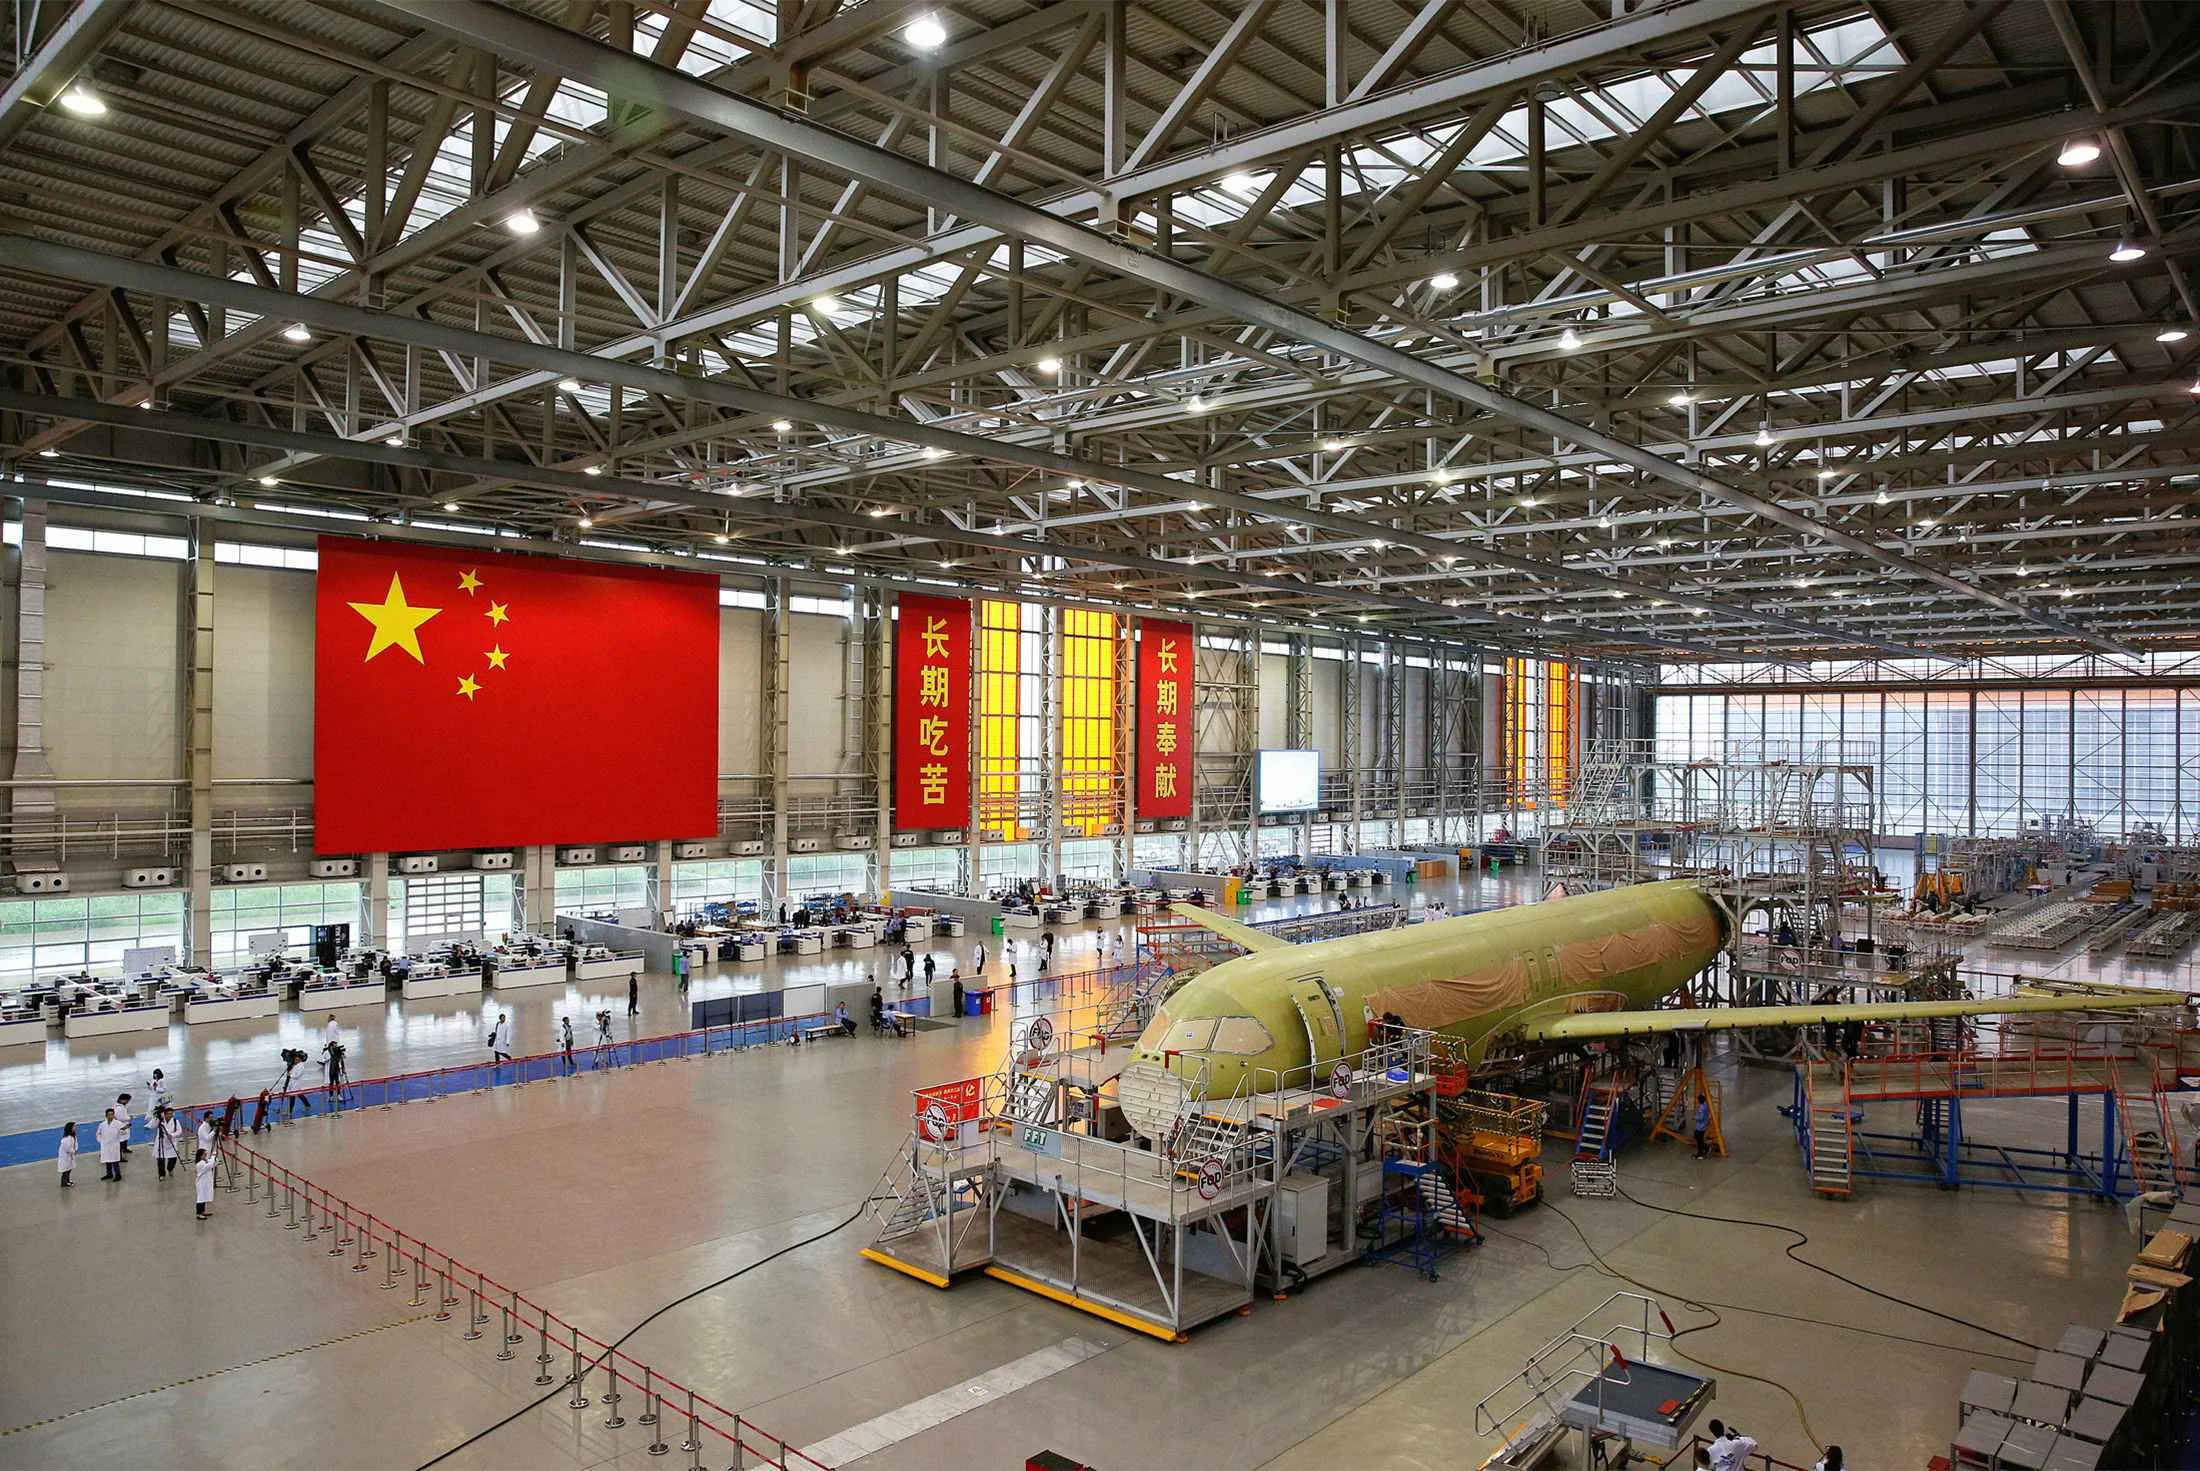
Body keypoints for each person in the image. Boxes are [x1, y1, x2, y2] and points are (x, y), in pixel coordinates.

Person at [95, 1108, 125, 1181]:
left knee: (115, 1161)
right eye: (109, 1115)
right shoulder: (102, 1124)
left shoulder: (118, 1123)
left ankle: (118, 1175)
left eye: (112, 1114)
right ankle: (109, 1174)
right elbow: (98, 1133)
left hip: (114, 1144)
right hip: (105, 1145)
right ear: (106, 1115)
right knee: (107, 1160)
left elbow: (124, 1131)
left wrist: (121, 1131)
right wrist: (101, 1141)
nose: (111, 1116)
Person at [152, 1105, 181, 1179]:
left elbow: (179, 1131)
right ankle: (162, 1174)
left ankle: (170, 1168)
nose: (170, 1115)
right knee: (160, 1159)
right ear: (164, 1114)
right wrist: (157, 1118)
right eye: (168, 1114)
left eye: (171, 1114)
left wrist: (172, 1135)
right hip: (161, 1143)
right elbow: (153, 1126)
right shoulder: (160, 1120)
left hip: (171, 1142)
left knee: (173, 1158)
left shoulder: (175, 1121)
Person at [193, 1147, 215, 1220]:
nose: (206, 1156)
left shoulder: (205, 1162)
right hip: (201, 1183)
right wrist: (213, 1156)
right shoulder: (200, 1164)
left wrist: (214, 1158)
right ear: (200, 1156)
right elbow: (210, 1165)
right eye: (204, 1155)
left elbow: (213, 1163)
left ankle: (202, 1211)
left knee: (204, 1197)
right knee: (201, 1198)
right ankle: (198, 1214)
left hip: (205, 1183)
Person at [57, 1121, 77, 1188]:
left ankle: (67, 1181)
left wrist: (75, 1149)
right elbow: (67, 1148)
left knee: (69, 1169)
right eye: (74, 1127)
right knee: (65, 1171)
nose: (75, 1128)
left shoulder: (73, 1136)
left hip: (70, 1156)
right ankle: (64, 1183)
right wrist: (73, 1151)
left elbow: (75, 1144)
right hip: (65, 1157)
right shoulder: (66, 1139)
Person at [1694, 1093, 1711, 1159]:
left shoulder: (1701, 1108)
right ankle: (1706, 1147)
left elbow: (1700, 1117)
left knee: (1698, 1139)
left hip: (1700, 1126)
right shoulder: (1706, 1104)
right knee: (1699, 1138)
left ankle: (1700, 1154)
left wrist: (1695, 1117)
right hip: (1704, 1125)